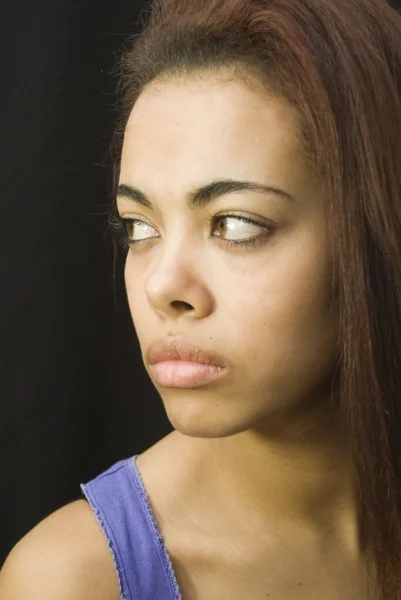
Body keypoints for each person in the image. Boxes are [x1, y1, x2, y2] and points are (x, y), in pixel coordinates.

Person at [1, 0, 401, 598]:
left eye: (235, 225)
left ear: (376, 228)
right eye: (138, 228)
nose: (162, 287)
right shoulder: (74, 579)